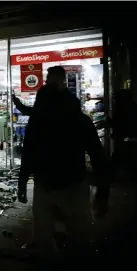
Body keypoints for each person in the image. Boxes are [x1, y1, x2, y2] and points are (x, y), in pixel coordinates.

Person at [13, 66, 109, 255]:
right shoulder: (79, 120)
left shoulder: (39, 120)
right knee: (79, 235)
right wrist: (103, 192)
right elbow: (98, 156)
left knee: (44, 232)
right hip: (73, 183)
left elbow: (28, 153)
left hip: (45, 184)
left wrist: (22, 183)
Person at [107, 89, 137, 179]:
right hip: (135, 139)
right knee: (128, 162)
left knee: (121, 160)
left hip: (129, 140)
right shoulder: (133, 106)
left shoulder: (123, 108)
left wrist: (112, 126)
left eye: (116, 98)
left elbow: (121, 124)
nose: (115, 101)